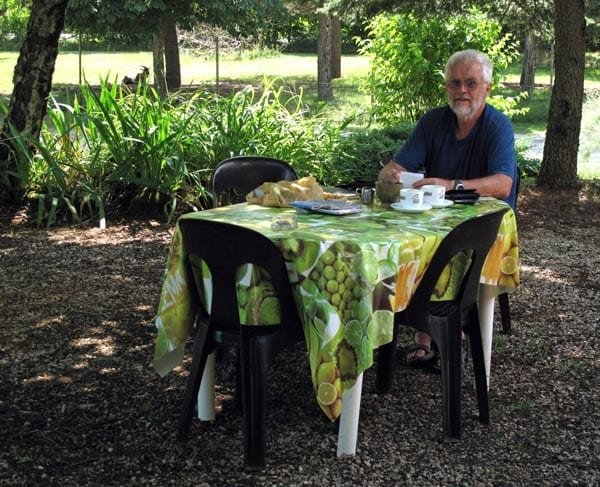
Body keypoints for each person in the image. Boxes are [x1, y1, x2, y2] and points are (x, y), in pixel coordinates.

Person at [378, 48, 518, 367]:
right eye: (454, 84)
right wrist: (392, 172)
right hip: (433, 219)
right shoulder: (433, 122)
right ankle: (414, 325)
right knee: (403, 247)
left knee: (446, 251)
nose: (462, 91)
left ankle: (439, 332)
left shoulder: (497, 126)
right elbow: (401, 164)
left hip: (481, 226)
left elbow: (502, 184)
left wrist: (449, 185)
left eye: (470, 83)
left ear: (487, 88)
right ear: (446, 88)